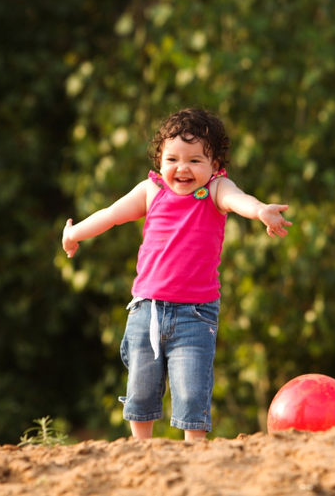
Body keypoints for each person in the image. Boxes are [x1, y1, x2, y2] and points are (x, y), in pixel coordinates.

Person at [62, 108, 291, 440]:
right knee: (141, 388)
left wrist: (260, 211)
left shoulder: (216, 190)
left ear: (214, 165)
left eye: (195, 160)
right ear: (159, 161)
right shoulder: (151, 191)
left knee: (191, 391)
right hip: (146, 310)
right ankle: (141, 449)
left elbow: (238, 199)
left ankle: (194, 452)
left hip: (195, 316)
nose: (182, 168)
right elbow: (110, 215)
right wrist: (73, 234)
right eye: (172, 159)